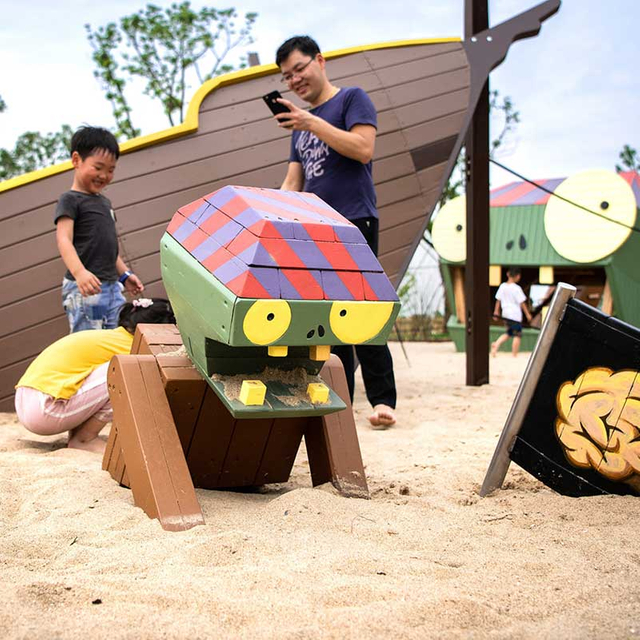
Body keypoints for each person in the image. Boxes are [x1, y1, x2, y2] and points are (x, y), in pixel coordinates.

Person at [274, 35, 397, 429]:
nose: (294, 79)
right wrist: (267, 211)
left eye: (298, 69)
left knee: (364, 310)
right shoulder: (298, 127)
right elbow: (293, 183)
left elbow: (363, 148)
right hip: (316, 227)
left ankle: (383, 400)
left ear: (320, 61)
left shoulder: (351, 99)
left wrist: (311, 121)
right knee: (329, 316)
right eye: (286, 76)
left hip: (355, 220)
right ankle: (339, 396)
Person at [14, 298, 175, 453]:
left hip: (27, 401)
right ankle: (84, 440)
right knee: (127, 370)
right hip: (45, 410)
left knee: (113, 369)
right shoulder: (131, 346)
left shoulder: (109, 338)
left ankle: (78, 436)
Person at [55, 126, 144, 333]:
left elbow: (108, 249)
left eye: (111, 170)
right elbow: (64, 240)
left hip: (113, 286)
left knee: (119, 336)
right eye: (98, 167)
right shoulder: (70, 200)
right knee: (89, 341)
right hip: (85, 288)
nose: (104, 175)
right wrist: (80, 273)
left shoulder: (104, 203)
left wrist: (125, 275)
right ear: (76, 160)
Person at [491, 267, 532, 357]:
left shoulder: (503, 286)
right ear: (517, 276)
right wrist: (527, 314)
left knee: (509, 333)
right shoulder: (517, 288)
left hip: (505, 313)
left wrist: (496, 312)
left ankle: (496, 344)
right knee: (517, 334)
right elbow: (522, 303)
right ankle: (514, 354)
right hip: (515, 314)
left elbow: (498, 300)